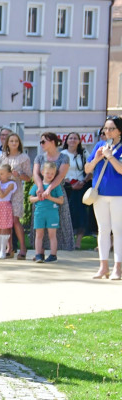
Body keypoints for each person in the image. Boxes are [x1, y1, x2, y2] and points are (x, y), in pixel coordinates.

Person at [84, 117, 122, 279]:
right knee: (103, 230)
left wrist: (110, 156)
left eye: (111, 128)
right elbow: (87, 169)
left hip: (118, 194)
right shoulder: (99, 146)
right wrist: (97, 159)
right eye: (105, 129)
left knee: (118, 231)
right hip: (99, 194)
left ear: (119, 131)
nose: (107, 132)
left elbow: (120, 170)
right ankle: (103, 266)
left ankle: (117, 268)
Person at [32, 132, 74, 252]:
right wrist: (40, 187)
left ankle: (54, 252)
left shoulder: (64, 158)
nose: (41, 144)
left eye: (43, 141)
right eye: (41, 142)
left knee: (57, 222)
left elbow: (61, 175)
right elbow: (35, 173)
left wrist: (49, 190)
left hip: (57, 193)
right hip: (41, 194)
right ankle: (40, 252)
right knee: (40, 224)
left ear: (52, 142)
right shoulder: (39, 157)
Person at [29, 162, 65, 263]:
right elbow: (31, 199)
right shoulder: (37, 185)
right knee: (39, 234)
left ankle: (53, 255)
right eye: (47, 173)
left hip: (52, 214)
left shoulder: (55, 186)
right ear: (42, 172)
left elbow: (61, 200)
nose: (49, 175)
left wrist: (50, 197)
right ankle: (38, 255)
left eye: (52, 174)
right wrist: (38, 197)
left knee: (52, 235)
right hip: (39, 213)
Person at [61, 132, 89, 247]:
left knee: (82, 215)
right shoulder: (63, 154)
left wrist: (83, 181)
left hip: (82, 186)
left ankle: (78, 242)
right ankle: (69, 240)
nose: (72, 140)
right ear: (67, 141)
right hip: (68, 187)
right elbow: (59, 171)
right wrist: (69, 183)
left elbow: (91, 169)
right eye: (70, 138)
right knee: (69, 214)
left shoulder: (84, 153)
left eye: (75, 138)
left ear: (79, 141)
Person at [0, 164, 18, 259]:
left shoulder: (11, 184)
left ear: (9, 174)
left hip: (5, 206)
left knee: (4, 228)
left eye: (2, 174)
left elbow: (2, 195)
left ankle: (3, 250)